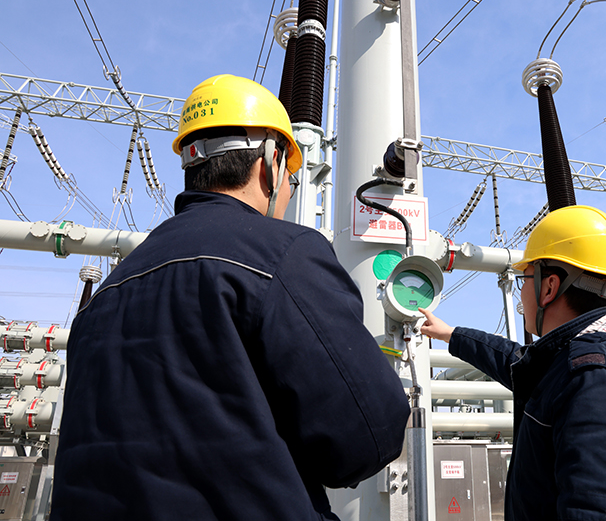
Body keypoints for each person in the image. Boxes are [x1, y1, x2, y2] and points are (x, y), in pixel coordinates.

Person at [50, 74, 410, 521]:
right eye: (291, 177)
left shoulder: (107, 291)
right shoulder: (284, 254)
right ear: (270, 163)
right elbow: (366, 436)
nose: (289, 191)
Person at [420, 205, 606, 520]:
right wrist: (450, 334)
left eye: (525, 278)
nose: (521, 291)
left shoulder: (603, 386)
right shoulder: (568, 363)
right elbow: (513, 360)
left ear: (549, 287)